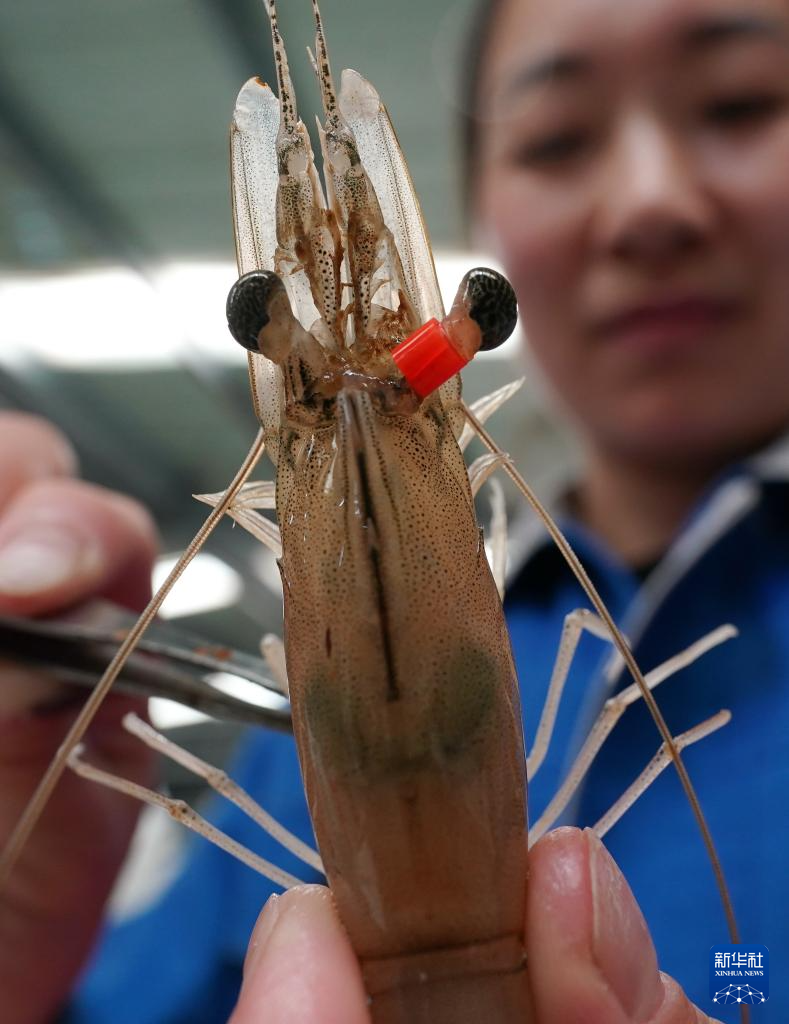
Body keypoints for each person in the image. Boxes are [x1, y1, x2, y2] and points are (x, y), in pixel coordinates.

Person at [2, 0, 788, 1017]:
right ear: (488, 211)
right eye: (557, 139)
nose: (650, 203)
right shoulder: (280, 756)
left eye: (740, 103)